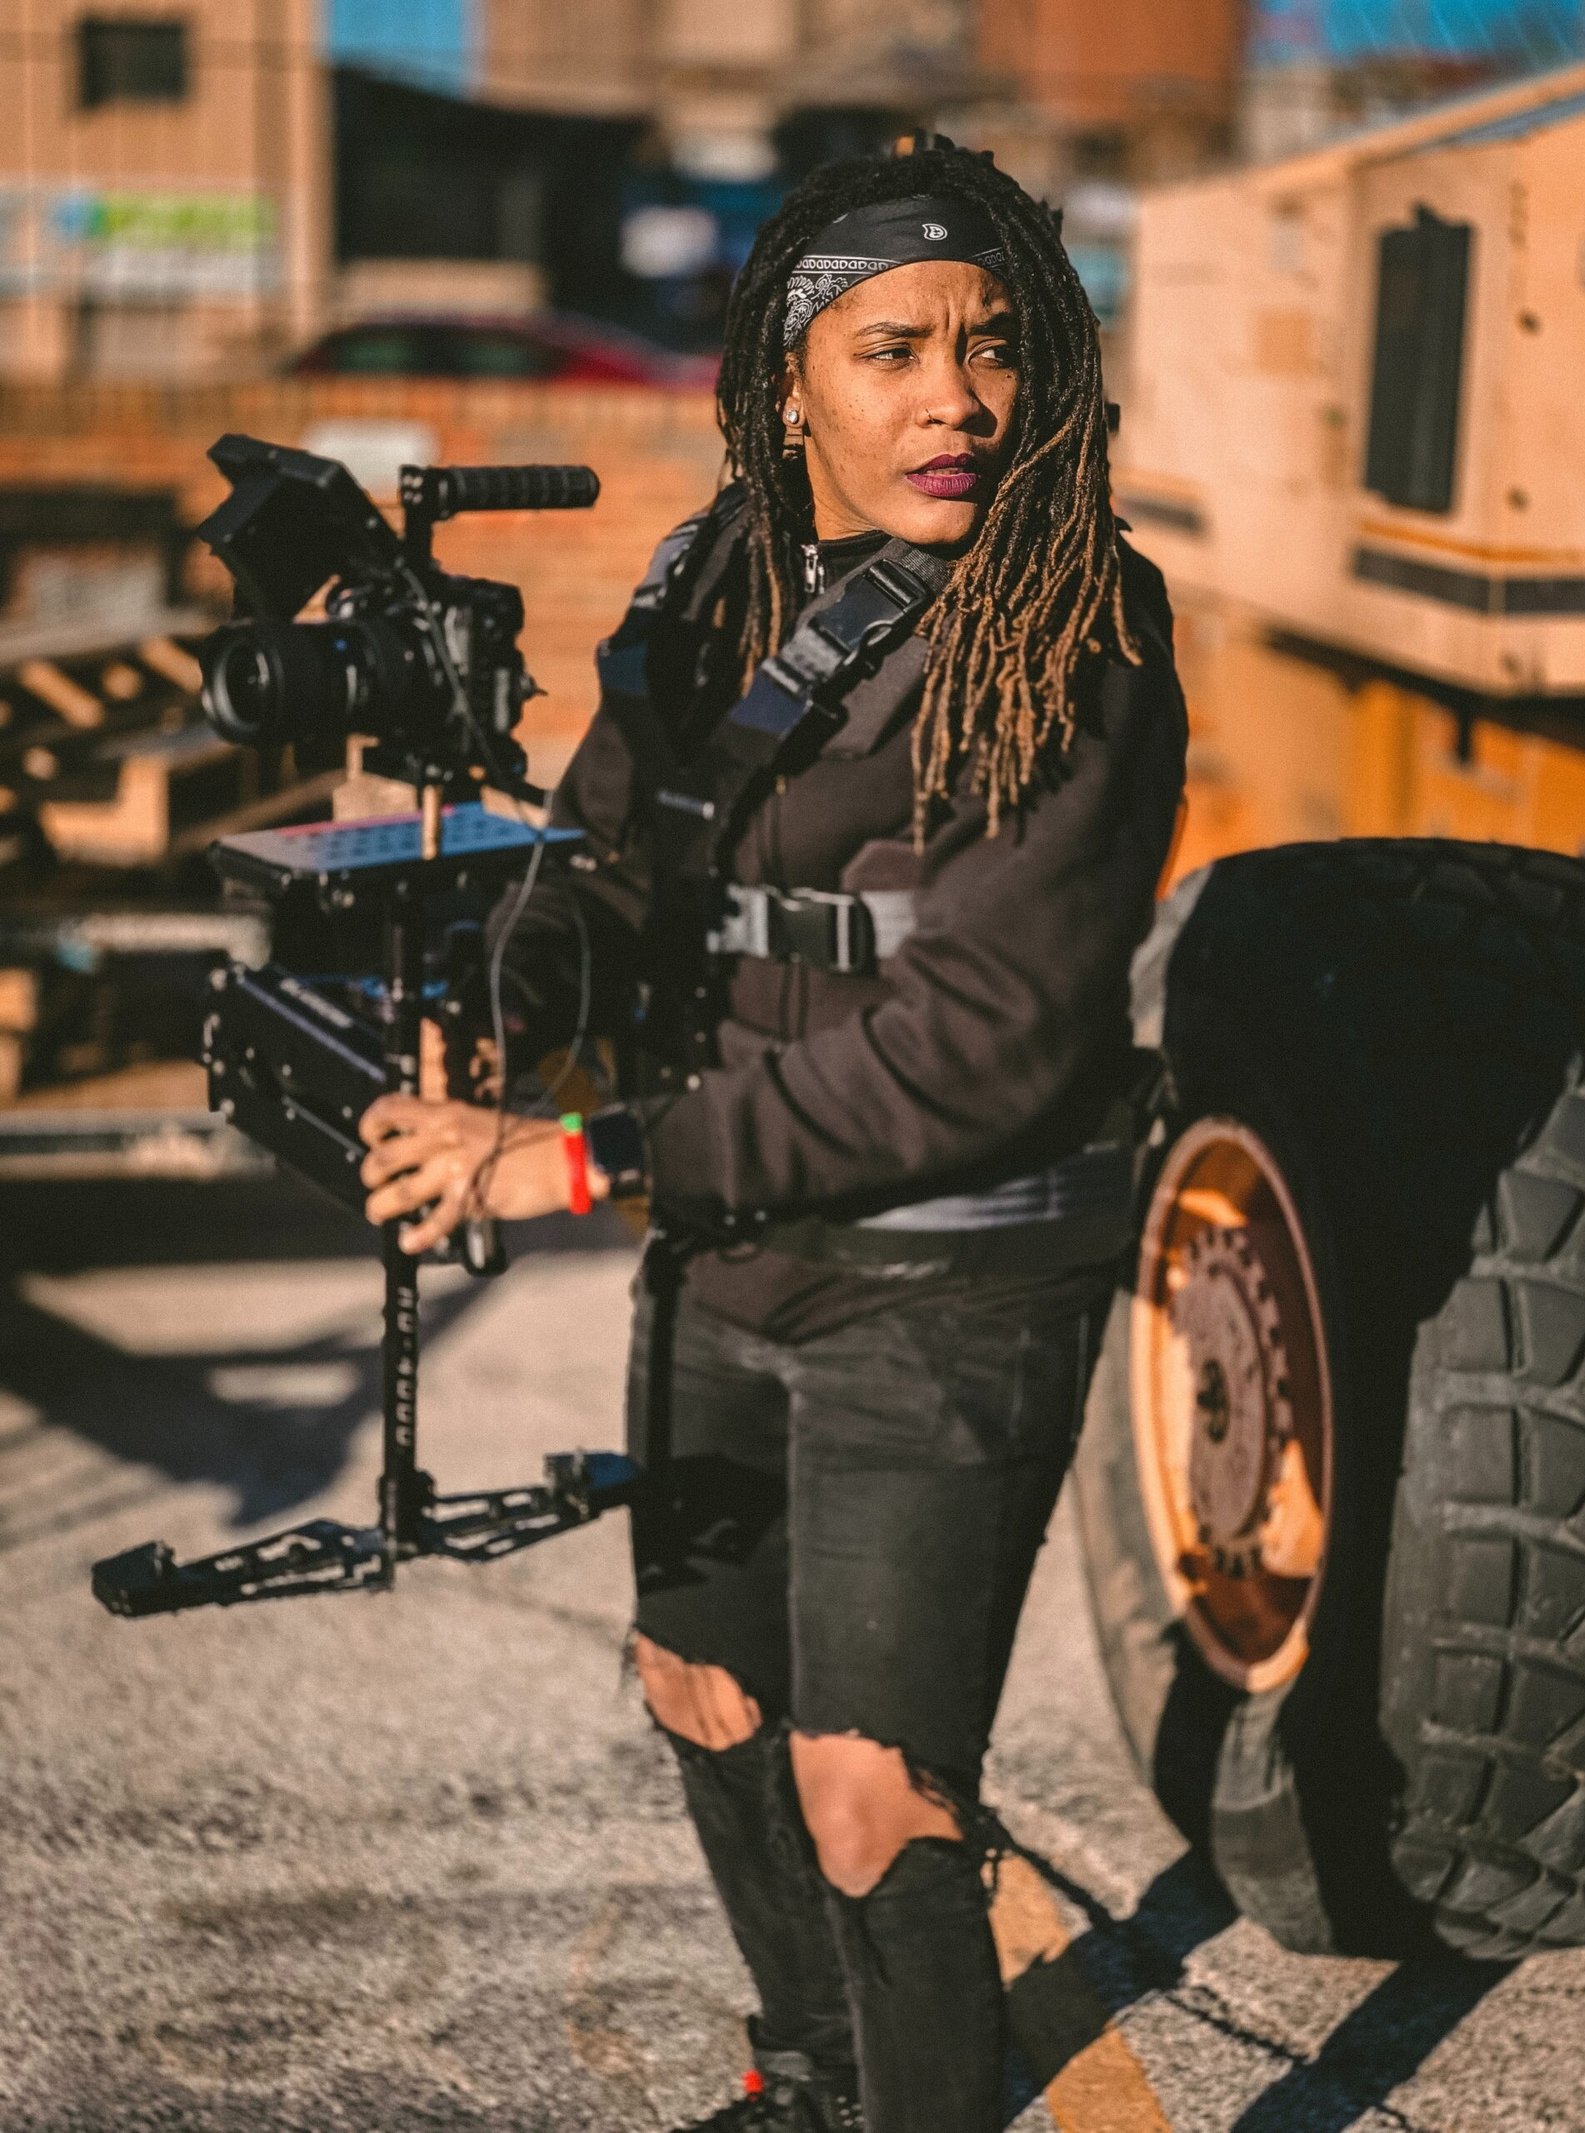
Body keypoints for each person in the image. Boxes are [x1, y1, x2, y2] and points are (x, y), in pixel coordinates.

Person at [358, 138, 1187, 2133]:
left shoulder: (1073, 619)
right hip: (729, 1256)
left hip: (953, 1267)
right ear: (787, 374)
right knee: (702, 1686)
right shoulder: (708, 573)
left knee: (871, 1788)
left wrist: (578, 1158)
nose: (955, 400)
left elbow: (981, 1040)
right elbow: (601, 859)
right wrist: (507, 1005)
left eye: (991, 348)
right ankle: (819, 2075)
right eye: (892, 347)